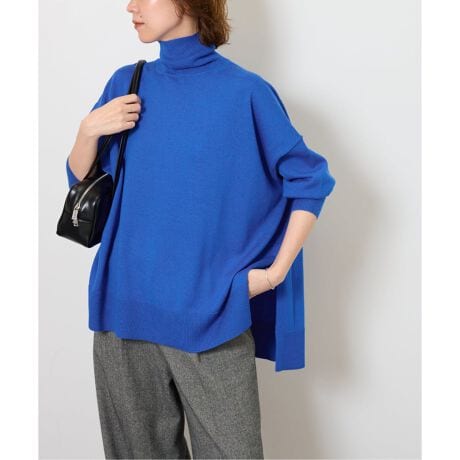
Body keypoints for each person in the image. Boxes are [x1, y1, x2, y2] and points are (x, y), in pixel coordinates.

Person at [65, 0, 336, 458]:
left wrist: (273, 275)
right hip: (123, 308)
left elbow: (310, 180)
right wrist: (87, 131)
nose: (130, 6)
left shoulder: (246, 93)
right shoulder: (126, 83)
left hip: (211, 313)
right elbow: (81, 181)